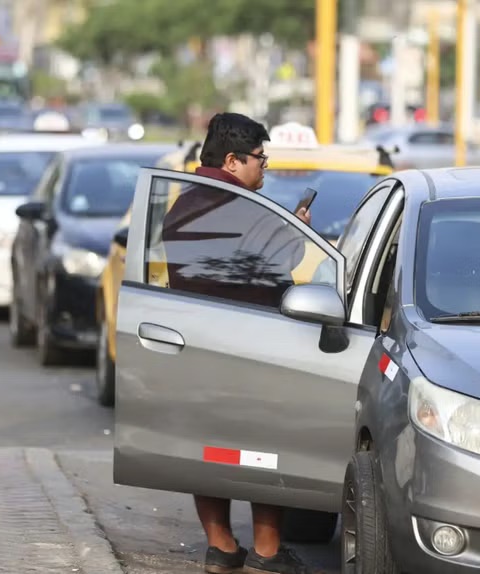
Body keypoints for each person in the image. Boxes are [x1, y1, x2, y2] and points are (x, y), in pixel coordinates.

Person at [162, 112, 311, 574]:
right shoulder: (245, 209)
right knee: (263, 449)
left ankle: (221, 547)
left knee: (211, 448)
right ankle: (267, 551)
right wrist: (296, 230)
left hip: (197, 348)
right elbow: (275, 267)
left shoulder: (182, 206)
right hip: (252, 349)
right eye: (260, 159)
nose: (264, 167)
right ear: (232, 160)